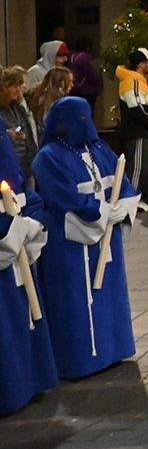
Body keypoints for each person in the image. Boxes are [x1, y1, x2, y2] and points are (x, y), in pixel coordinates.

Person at [35, 95, 141, 380]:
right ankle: (79, 360)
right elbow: (63, 198)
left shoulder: (99, 148)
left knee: (109, 294)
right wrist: (102, 212)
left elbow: (123, 184)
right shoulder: (49, 157)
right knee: (77, 299)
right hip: (72, 241)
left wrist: (124, 207)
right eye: (78, 119)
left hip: (107, 238)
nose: (85, 124)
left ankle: (114, 349)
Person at [0, 127, 56, 416]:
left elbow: (25, 192)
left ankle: (30, 380)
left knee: (26, 316)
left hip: (17, 244)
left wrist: (30, 223)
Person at [115, 48, 148, 209]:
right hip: (138, 131)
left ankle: (141, 198)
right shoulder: (133, 81)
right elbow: (137, 109)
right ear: (141, 64)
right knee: (136, 167)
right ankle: (131, 200)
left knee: (142, 165)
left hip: (141, 131)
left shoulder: (138, 80)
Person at [3, 66, 40, 189]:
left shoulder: (18, 108)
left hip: (26, 165)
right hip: (8, 169)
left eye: (19, 86)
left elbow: (28, 134)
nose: (18, 90)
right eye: (14, 86)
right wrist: (8, 135)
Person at [66, 40, 102, 106]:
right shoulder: (83, 57)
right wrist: (99, 83)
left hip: (75, 89)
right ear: (88, 48)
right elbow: (90, 73)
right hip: (87, 90)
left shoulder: (72, 56)